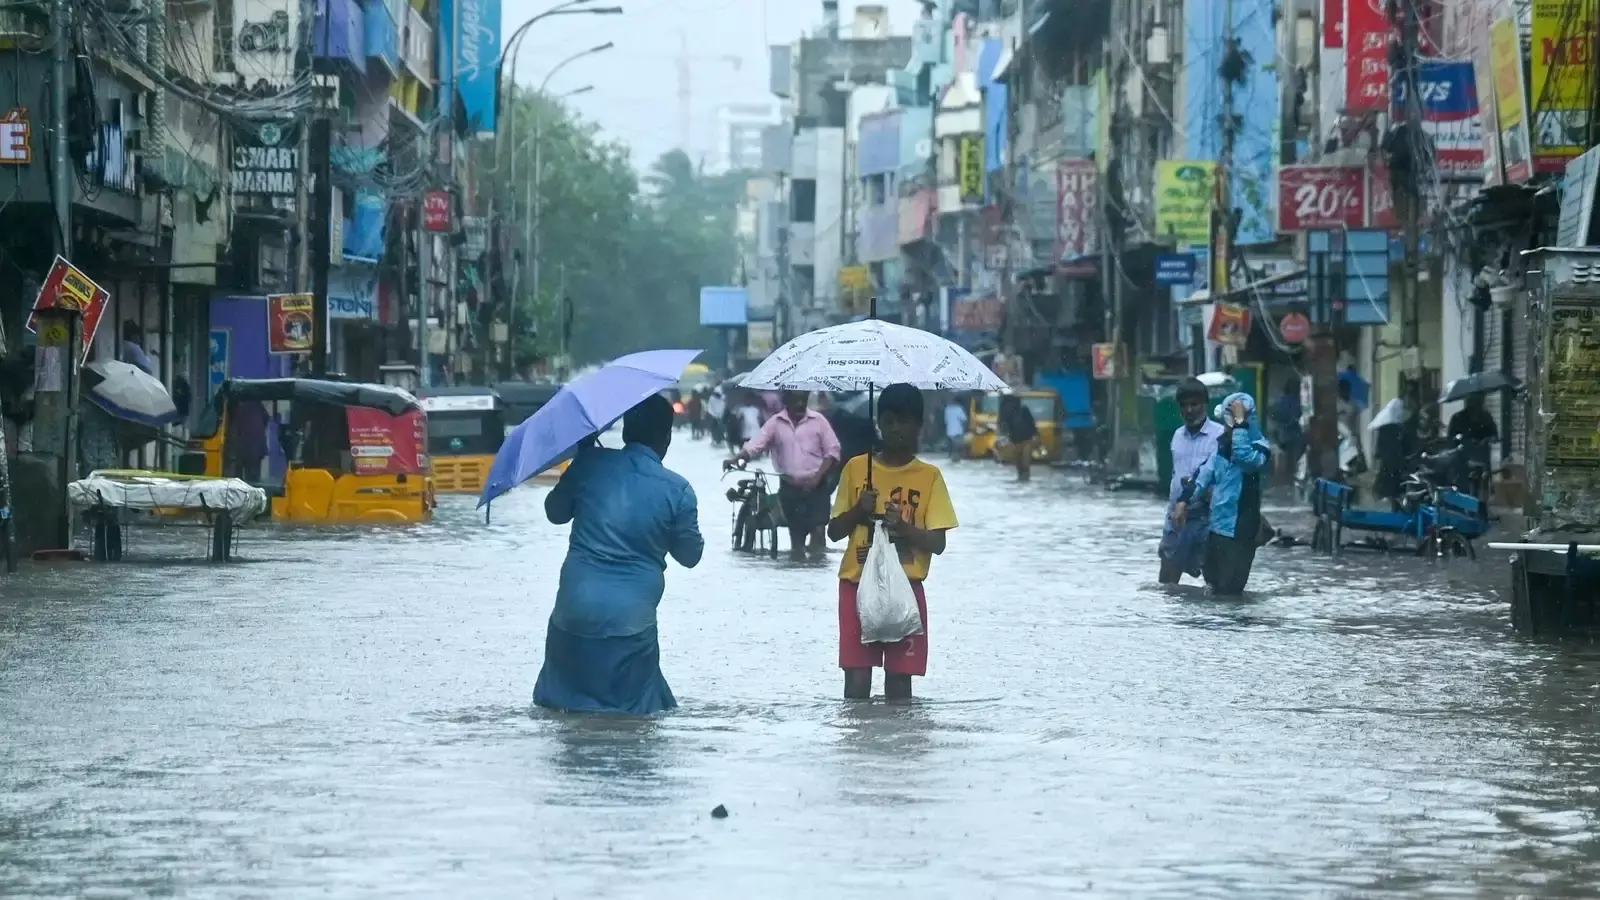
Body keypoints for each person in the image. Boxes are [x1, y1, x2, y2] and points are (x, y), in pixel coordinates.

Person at [533, 394, 704, 715]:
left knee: (560, 714)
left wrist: (581, 460)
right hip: (630, 627)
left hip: (572, 614)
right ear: (666, 438)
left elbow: (555, 512)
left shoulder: (589, 464)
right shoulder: (677, 490)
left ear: (626, 432)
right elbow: (690, 555)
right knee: (636, 721)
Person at [827, 384, 958, 701]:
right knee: (857, 679)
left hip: (906, 589)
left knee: (900, 682)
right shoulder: (857, 469)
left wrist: (904, 528)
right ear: (879, 424)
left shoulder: (929, 477)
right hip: (857, 586)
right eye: (889, 420)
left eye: (905, 421)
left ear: (919, 425)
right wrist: (860, 510)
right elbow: (833, 532)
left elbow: (937, 543)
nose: (896, 428)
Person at [1172, 392, 1271, 595]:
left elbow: (1245, 459)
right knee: (1213, 589)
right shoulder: (1223, 446)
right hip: (1217, 530)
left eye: (1230, 420)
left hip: (1240, 533)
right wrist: (1183, 501)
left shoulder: (1259, 448)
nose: (1227, 426)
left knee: (1230, 594)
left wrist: (1240, 424)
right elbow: (1204, 474)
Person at [726, 390, 842, 559]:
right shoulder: (775, 423)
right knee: (796, 539)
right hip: (790, 488)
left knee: (818, 532)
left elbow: (833, 451)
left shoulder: (819, 421)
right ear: (787, 401)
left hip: (817, 487)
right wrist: (737, 458)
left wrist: (817, 478)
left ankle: (816, 570)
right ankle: (797, 575)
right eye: (796, 400)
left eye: (804, 400)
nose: (801, 404)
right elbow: (756, 444)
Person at [1160, 378, 1224, 584]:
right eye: (1184, 405)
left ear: (1205, 404)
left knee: (1214, 585)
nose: (1189, 410)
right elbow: (1175, 473)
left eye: (1194, 404)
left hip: (1207, 518)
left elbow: (1215, 477)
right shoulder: (1178, 436)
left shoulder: (1220, 436)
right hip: (1176, 518)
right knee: (1167, 583)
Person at [1447, 394, 1498, 492]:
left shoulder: (1486, 417)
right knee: (1462, 488)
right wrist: (1464, 441)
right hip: (1463, 460)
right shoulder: (1458, 418)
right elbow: (1451, 439)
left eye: (1479, 401)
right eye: (1473, 401)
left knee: (1482, 490)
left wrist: (1487, 440)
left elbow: (1494, 435)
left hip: (1481, 460)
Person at [999, 395, 1039, 481]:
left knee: (1025, 463)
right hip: (1015, 441)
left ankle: (1025, 479)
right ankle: (1022, 479)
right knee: (1019, 464)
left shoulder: (1024, 410)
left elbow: (1032, 423)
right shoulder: (1006, 413)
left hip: (1026, 440)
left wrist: (1035, 435)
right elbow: (1003, 427)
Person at [1271, 378, 1304, 479]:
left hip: (1293, 433)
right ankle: (1291, 477)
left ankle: (1292, 477)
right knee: (1293, 457)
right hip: (1290, 433)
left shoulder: (1295, 399)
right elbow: (1274, 413)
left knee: (1295, 457)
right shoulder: (1288, 400)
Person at [944, 395, 968, 460]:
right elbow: (964, 419)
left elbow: (946, 421)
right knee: (958, 445)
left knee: (951, 444)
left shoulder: (947, 408)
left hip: (949, 430)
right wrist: (965, 429)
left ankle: (950, 455)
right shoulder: (959, 408)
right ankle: (957, 456)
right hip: (958, 430)